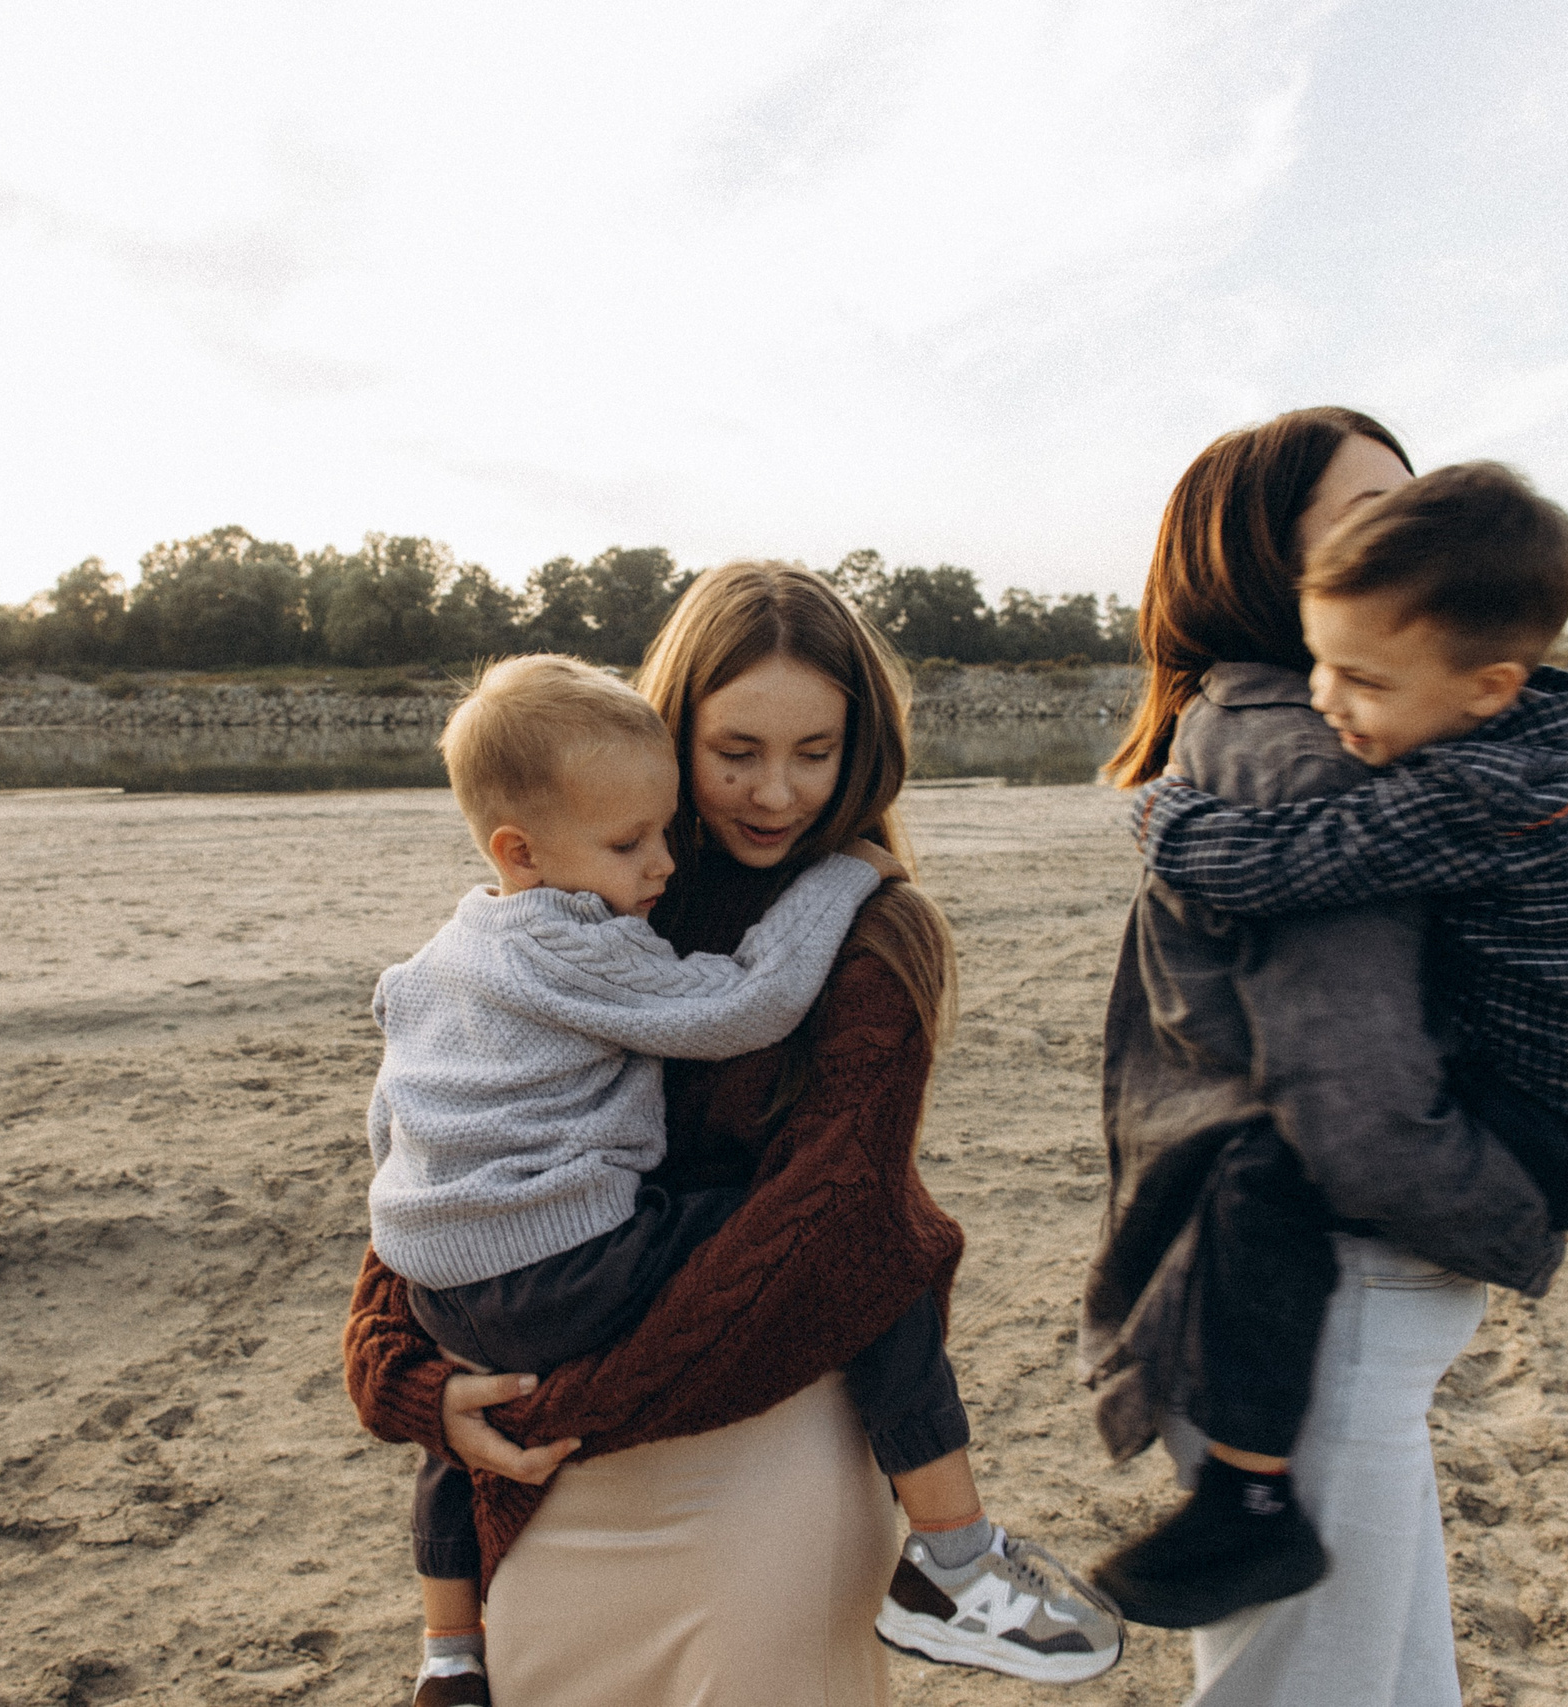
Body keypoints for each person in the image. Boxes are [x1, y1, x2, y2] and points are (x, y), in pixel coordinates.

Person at [347, 564, 1123, 1706]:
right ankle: (451, 1654)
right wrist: (406, 1382)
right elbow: (434, 1149)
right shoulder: (594, 890)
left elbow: (825, 1232)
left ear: (860, 746)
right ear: (673, 733)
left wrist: (559, 1402)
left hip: (758, 1451)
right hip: (556, 1469)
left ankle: (951, 1562)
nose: (776, 794)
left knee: (889, 1237)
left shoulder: (869, 935)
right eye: (736, 753)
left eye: (814, 753)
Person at [1094, 460, 1568, 1630]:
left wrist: (1161, 811)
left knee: (1268, 1180)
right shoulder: (1510, 732)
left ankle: (1250, 1503)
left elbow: (1275, 865)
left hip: (1565, 1129)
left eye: (1358, 677)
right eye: (1318, 663)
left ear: (1486, 686)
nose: (1324, 699)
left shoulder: (1473, 789)